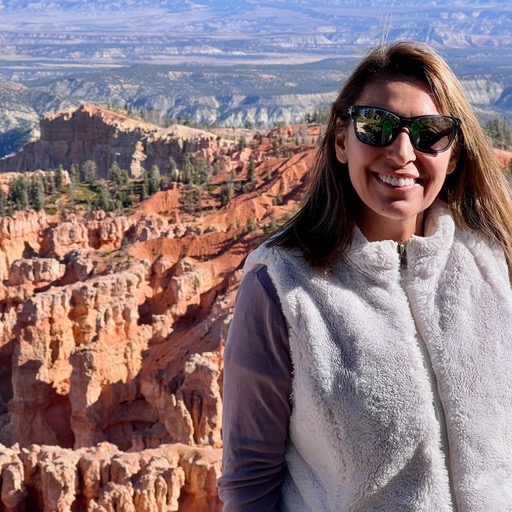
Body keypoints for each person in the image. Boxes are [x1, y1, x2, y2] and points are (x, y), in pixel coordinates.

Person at [217, 40, 512, 511]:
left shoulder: (493, 265)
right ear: (341, 141)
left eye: (429, 133)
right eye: (376, 126)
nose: (401, 153)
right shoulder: (281, 289)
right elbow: (249, 480)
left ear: (452, 156)